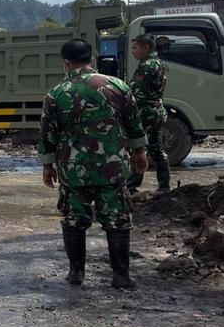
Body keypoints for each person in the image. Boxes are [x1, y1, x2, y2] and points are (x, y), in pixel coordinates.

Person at [39, 39, 148, 289]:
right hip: (112, 168)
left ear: (66, 62)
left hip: (73, 170)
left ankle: (76, 273)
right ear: (92, 58)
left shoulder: (56, 94)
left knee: (74, 219)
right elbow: (133, 123)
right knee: (117, 219)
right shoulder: (118, 86)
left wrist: (48, 165)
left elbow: (47, 134)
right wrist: (139, 152)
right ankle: (121, 275)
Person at [127, 34, 170, 193]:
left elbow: (136, 92)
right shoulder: (160, 63)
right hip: (157, 111)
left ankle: (131, 186)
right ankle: (164, 185)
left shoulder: (146, 66)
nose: (133, 52)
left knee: (137, 148)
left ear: (146, 48)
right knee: (157, 149)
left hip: (145, 113)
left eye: (135, 48)